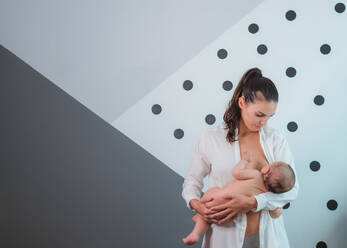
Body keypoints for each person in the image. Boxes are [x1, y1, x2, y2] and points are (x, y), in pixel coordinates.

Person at [181, 67, 299, 248]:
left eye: (270, 116)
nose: (264, 122)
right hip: (224, 238)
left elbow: (292, 190)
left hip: (267, 238)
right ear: (242, 102)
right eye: (259, 115)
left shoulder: (275, 140)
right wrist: (196, 204)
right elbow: (192, 180)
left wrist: (253, 202)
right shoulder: (211, 138)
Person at [182, 150, 296, 245]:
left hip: (218, 199)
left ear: (266, 169)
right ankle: (198, 225)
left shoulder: (256, 175)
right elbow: (275, 209)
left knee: (213, 192)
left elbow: (236, 173)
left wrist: (244, 161)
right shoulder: (264, 194)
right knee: (210, 215)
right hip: (230, 216)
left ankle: (197, 230)